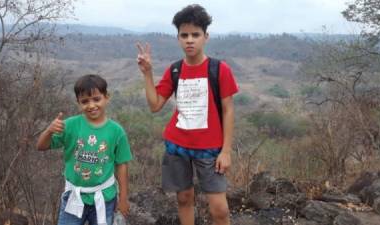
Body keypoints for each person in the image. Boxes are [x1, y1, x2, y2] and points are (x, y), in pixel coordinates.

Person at [136, 4, 238, 225]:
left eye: (195, 34)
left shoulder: (219, 69)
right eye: (184, 35)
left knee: (219, 209)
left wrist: (226, 151)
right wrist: (147, 73)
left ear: (206, 36)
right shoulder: (174, 70)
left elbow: (229, 109)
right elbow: (155, 105)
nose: (189, 40)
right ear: (178, 38)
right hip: (177, 145)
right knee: (184, 198)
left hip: (210, 149)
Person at [36, 74, 133, 225]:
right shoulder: (70, 125)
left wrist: (123, 198)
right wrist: (49, 131)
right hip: (74, 197)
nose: (91, 105)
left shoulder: (116, 131)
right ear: (78, 103)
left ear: (106, 97)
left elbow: (122, 165)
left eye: (96, 99)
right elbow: (41, 146)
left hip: (104, 198)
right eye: (85, 101)